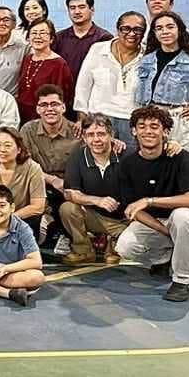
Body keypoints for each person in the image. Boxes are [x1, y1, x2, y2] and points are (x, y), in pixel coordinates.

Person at [114, 105, 189, 302]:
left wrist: (149, 201)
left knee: (181, 216)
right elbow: (134, 210)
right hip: (161, 225)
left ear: (166, 132)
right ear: (134, 131)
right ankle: (165, 258)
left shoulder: (181, 158)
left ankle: (183, 280)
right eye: (142, 126)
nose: (148, 131)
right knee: (125, 247)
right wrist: (165, 231)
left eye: (154, 126)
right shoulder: (127, 164)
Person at [60, 114, 132, 266]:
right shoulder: (77, 157)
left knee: (139, 232)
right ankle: (83, 250)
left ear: (111, 135)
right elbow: (69, 193)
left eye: (101, 134)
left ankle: (115, 244)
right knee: (68, 208)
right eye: (90, 135)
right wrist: (97, 200)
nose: (96, 140)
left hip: (125, 219)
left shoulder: (127, 156)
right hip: (95, 217)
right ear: (84, 138)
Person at [135, 11, 189, 155]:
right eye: (159, 28)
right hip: (152, 122)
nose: (165, 32)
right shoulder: (145, 61)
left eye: (170, 27)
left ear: (179, 30)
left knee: (181, 164)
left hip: (180, 123)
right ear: (154, 33)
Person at [18, 85, 81, 250]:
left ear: (63, 107)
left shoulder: (77, 131)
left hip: (68, 185)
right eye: (44, 105)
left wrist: (114, 142)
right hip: (38, 181)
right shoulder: (28, 130)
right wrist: (52, 180)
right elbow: (24, 163)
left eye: (54, 104)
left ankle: (68, 234)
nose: (49, 109)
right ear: (38, 109)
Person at [75, 11, 146, 146]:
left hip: (132, 121)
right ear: (117, 30)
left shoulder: (148, 57)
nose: (131, 34)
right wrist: (82, 118)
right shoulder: (98, 50)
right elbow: (83, 86)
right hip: (99, 119)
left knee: (130, 158)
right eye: (126, 28)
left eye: (137, 30)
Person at [0, 127, 47, 237]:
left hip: (24, 220)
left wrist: (8, 219)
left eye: (7, 145)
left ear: (19, 149)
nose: (2, 149)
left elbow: (38, 206)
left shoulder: (33, 168)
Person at [17, 19, 75, 124]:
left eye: (43, 33)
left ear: (51, 39)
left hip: (45, 120)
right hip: (22, 117)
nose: (38, 37)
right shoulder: (27, 59)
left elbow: (63, 98)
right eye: (34, 33)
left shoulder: (59, 64)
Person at [53, 0, 112, 83]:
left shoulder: (104, 38)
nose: (77, 12)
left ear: (92, 10)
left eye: (82, 7)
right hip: (64, 89)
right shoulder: (59, 38)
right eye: (72, 8)